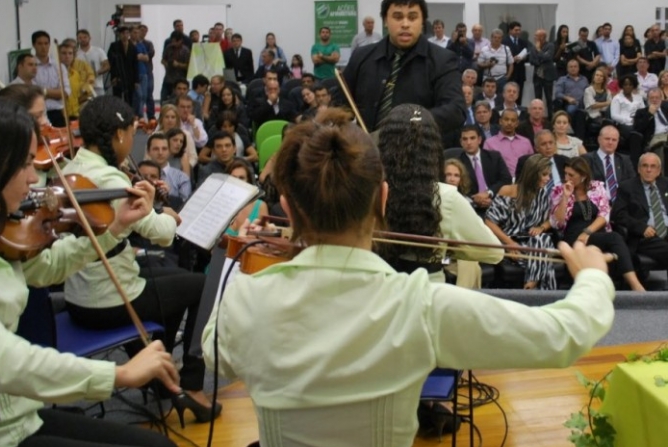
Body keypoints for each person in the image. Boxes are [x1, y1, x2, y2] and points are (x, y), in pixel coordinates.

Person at [202, 106, 616, 447]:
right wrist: (593, 277)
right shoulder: (420, 305)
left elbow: (213, 351)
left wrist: (241, 260)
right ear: (382, 199)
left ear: (288, 209)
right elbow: (561, 336)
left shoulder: (246, 300)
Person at [0, 94, 179, 447]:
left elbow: (49, 267)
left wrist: (117, 227)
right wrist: (118, 373)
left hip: (19, 416)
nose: (35, 178)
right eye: (25, 164)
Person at [60, 96, 222, 425]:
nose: (131, 143)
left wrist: (149, 202)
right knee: (203, 283)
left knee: (174, 275)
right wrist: (170, 217)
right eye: (131, 134)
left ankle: (158, 368)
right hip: (109, 299)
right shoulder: (109, 178)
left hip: (79, 294)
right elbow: (159, 234)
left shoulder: (73, 167)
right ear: (118, 135)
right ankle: (190, 384)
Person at [379, 104, 503, 287]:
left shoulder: (365, 191)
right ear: (433, 150)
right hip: (427, 296)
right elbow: (493, 253)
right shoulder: (447, 197)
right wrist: (449, 247)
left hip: (377, 293)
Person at [342, 0, 466, 133]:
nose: (405, 24)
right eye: (397, 17)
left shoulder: (442, 60)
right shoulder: (361, 56)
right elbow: (340, 103)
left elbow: (456, 110)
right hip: (366, 150)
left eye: (412, 17)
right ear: (385, 20)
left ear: (422, 21)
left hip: (419, 150)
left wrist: (413, 120)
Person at [551, 156, 645, 291]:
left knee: (616, 240)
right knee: (614, 238)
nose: (567, 178)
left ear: (583, 176)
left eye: (571, 175)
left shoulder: (596, 187)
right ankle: (635, 285)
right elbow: (557, 223)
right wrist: (565, 197)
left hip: (594, 232)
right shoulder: (559, 191)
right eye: (565, 173)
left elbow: (604, 214)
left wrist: (587, 232)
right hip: (574, 237)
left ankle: (626, 283)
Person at [486, 154, 556, 289]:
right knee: (545, 256)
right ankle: (544, 295)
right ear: (533, 173)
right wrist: (510, 244)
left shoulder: (542, 193)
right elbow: (489, 222)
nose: (548, 179)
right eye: (544, 175)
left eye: (549, 175)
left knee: (541, 238)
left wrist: (542, 227)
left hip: (533, 244)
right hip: (511, 242)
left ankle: (532, 282)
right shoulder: (509, 191)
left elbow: (550, 219)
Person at [612, 152, 668, 268]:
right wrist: (641, 228)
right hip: (646, 236)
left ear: (658, 171)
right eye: (645, 166)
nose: (648, 170)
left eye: (653, 166)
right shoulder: (627, 187)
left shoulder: (665, 184)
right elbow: (618, 215)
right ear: (638, 169)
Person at [224, 160, 268, 236]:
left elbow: (264, 238)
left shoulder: (261, 206)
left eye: (241, 178)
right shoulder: (218, 205)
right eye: (233, 178)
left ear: (248, 181)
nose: (237, 182)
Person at [156, 103, 198, 169]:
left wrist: (185, 167)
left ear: (177, 119)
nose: (170, 120)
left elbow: (193, 157)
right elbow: (148, 157)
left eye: (173, 117)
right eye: (167, 117)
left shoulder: (186, 135)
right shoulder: (155, 136)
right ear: (162, 119)